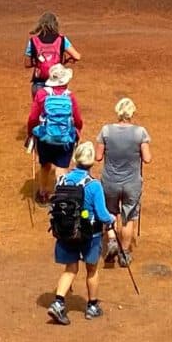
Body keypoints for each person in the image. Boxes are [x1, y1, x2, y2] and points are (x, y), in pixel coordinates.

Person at [44, 138, 115, 325]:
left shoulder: (62, 180)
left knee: (71, 268)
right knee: (91, 270)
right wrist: (112, 219)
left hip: (66, 232)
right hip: (90, 235)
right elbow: (102, 214)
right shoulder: (94, 185)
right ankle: (92, 306)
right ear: (91, 162)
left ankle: (58, 303)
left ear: (75, 159)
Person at [97, 97, 151, 265]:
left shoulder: (106, 131)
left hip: (110, 181)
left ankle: (112, 240)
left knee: (110, 211)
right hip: (132, 183)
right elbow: (147, 158)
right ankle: (124, 254)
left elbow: (98, 157)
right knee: (128, 216)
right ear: (132, 112)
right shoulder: (140, 132)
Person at [23, 63, 82, 203]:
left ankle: (43, 194)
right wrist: (78, 131)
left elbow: (33, 118)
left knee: (45, 165)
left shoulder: (42, 94)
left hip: (45, 137)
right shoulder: (70, 96)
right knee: (61, 167)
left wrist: (31, 133)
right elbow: (78, 119)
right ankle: (61, 196)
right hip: (65, 137)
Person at [24, 12, 77, 89]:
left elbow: (27, 64)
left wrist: (39, 62)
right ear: (56, 24)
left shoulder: (33, 41)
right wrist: (65, 61)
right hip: (57, 82)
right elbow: (76, 56)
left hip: (39, 82)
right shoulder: (61, 39)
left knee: (38, 100)